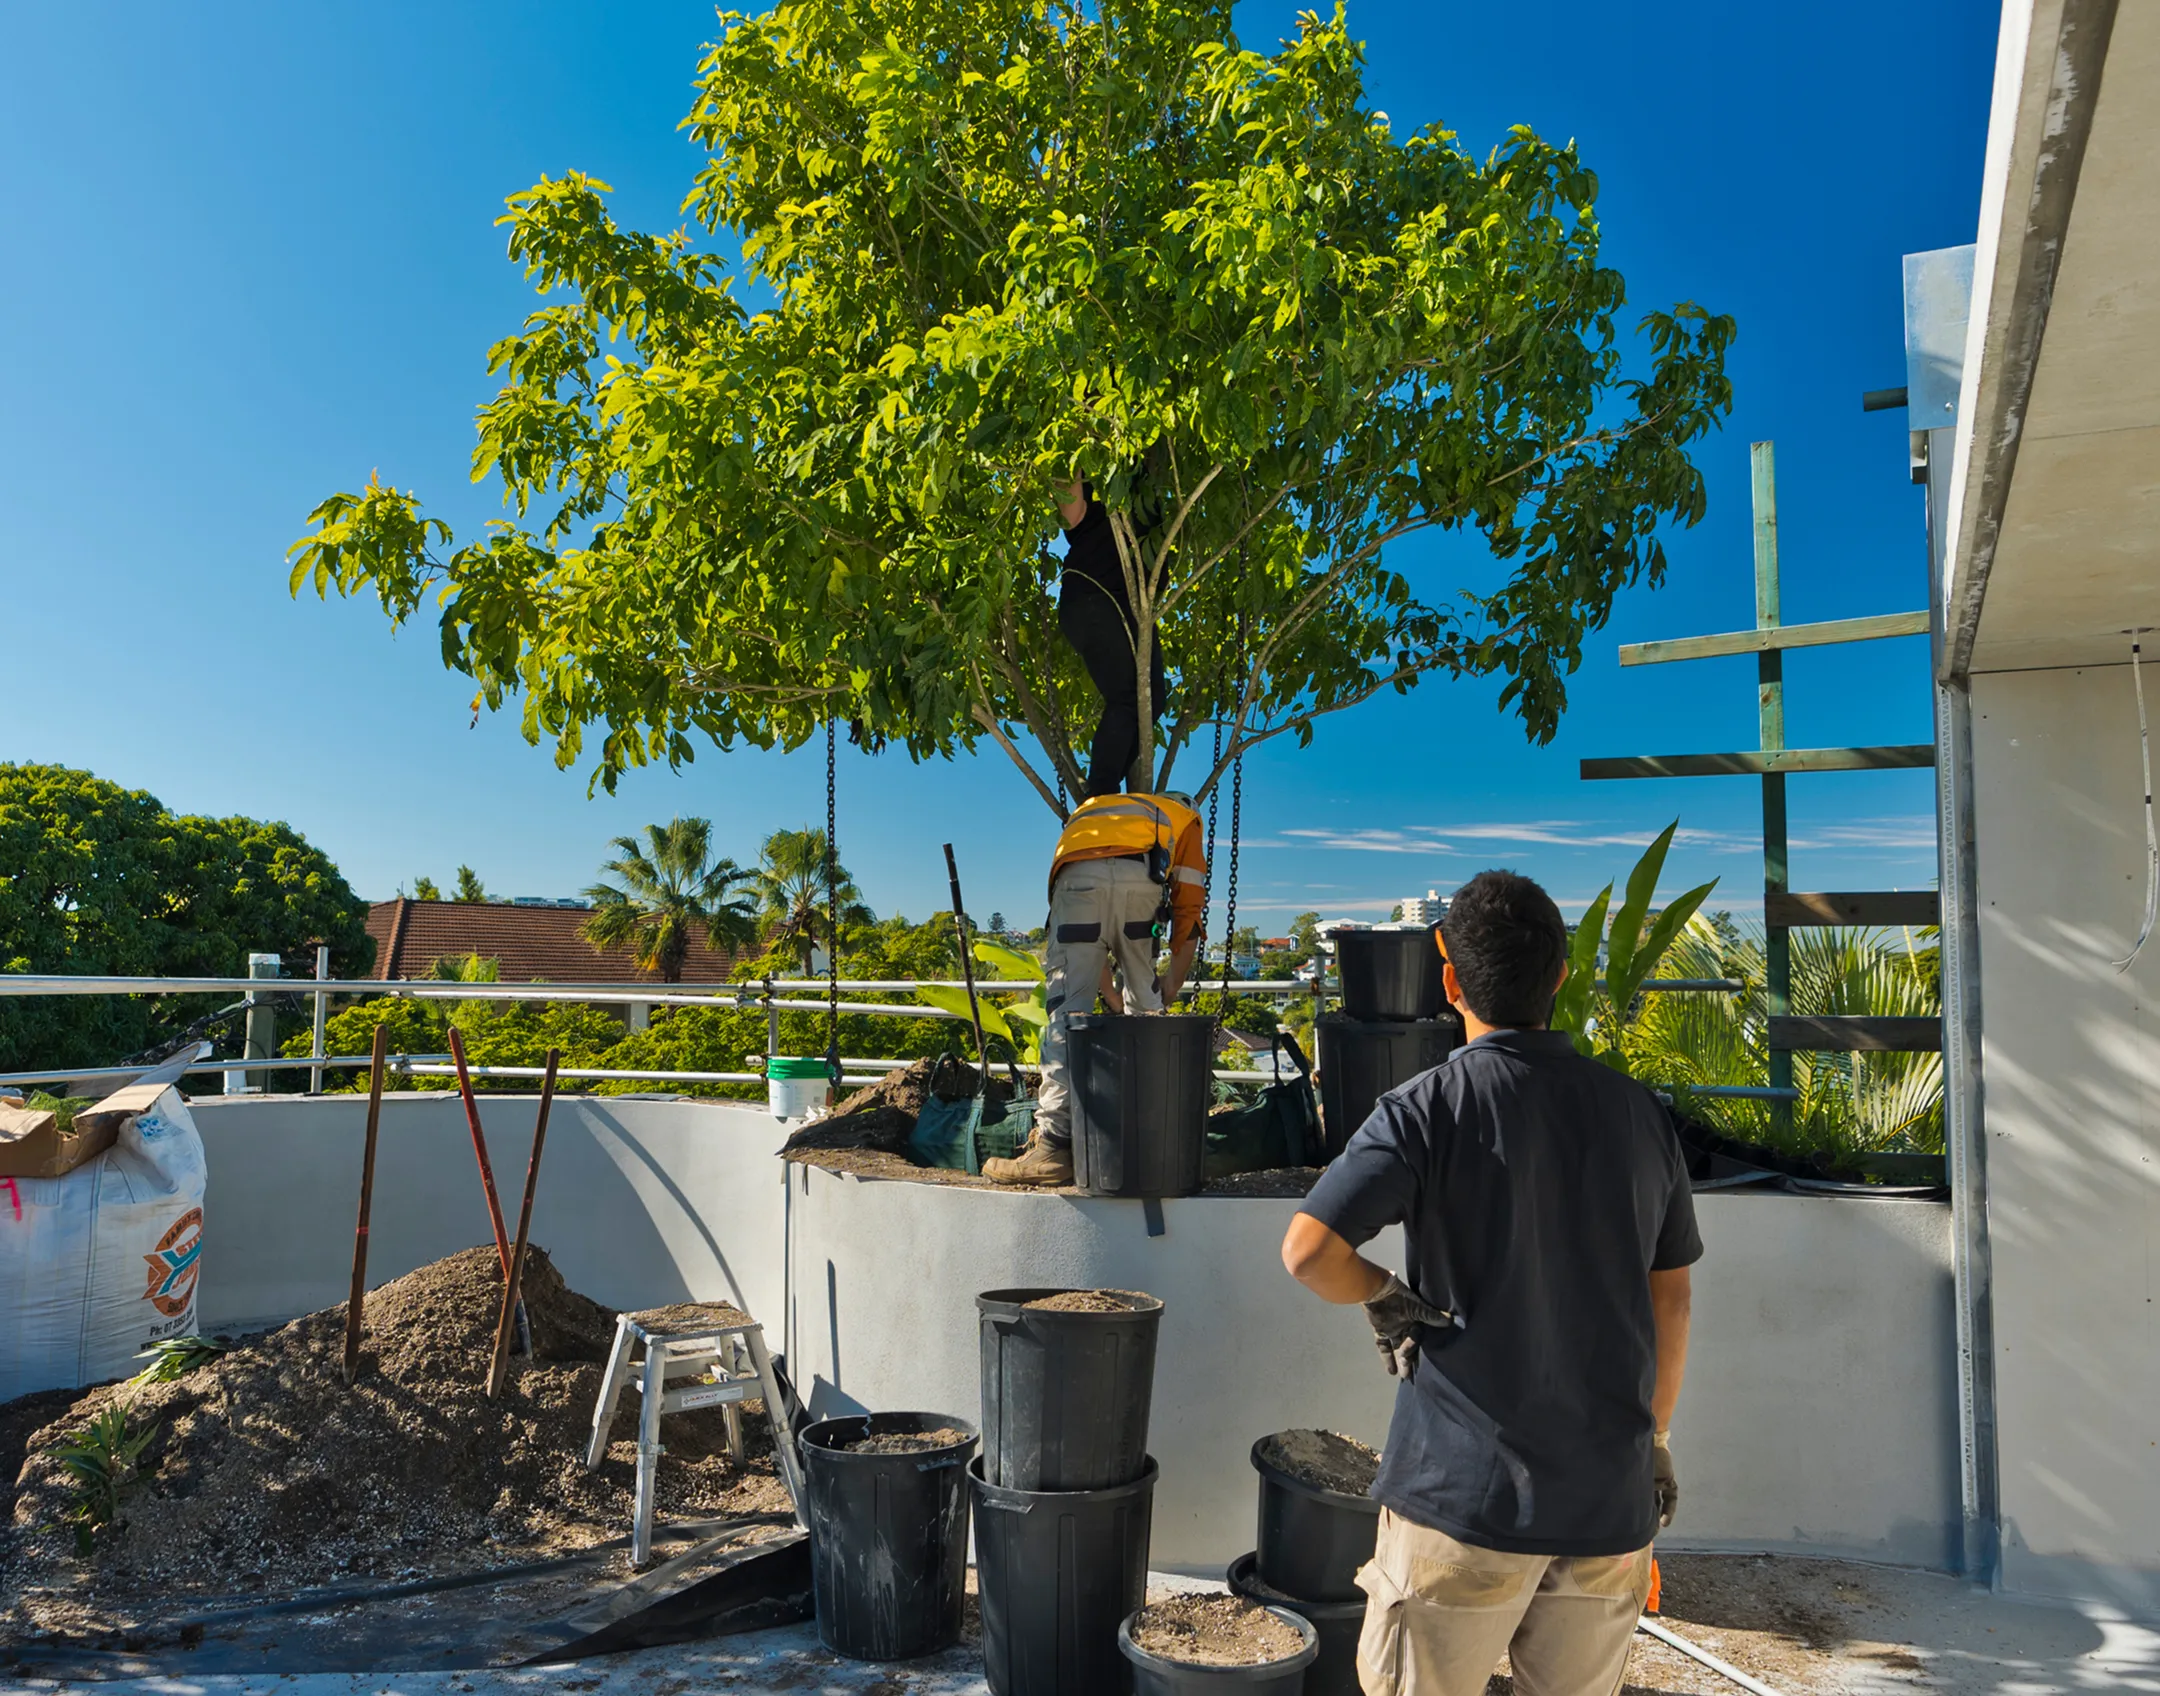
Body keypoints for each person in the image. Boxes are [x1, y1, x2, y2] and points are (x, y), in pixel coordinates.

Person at [1278, 869, 1699, 1696]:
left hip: (1461, 1501)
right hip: (1606, 1503)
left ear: (1449, 983)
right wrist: (1654, 1443)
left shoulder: (1425, 1109)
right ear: (1561, 976)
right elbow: (1672, 1298)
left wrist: (1383, 1296)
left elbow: (1308, 1251)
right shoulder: (1639, 1114)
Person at [981, 791, 1206, 1186]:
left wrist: (1108, 994)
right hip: (1142, 883)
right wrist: (1167, 986)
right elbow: (1188, 904)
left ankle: (1053, 1149)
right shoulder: (1183, 816)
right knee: (1147, 1011)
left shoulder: (1094, 809)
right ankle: (1149, 1138)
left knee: (1067, 1012)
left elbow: (1091, 937)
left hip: (1076, 882)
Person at [1058, 479, 1167, 797]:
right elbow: (1071, 515)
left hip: (1130, 607)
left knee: (1154, 698)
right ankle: (1101, 794)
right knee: (1127, 697)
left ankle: (1105, 789)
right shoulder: (1093, 466)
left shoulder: (1140, 475)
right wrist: (1072, 468)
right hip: (1096, 597)